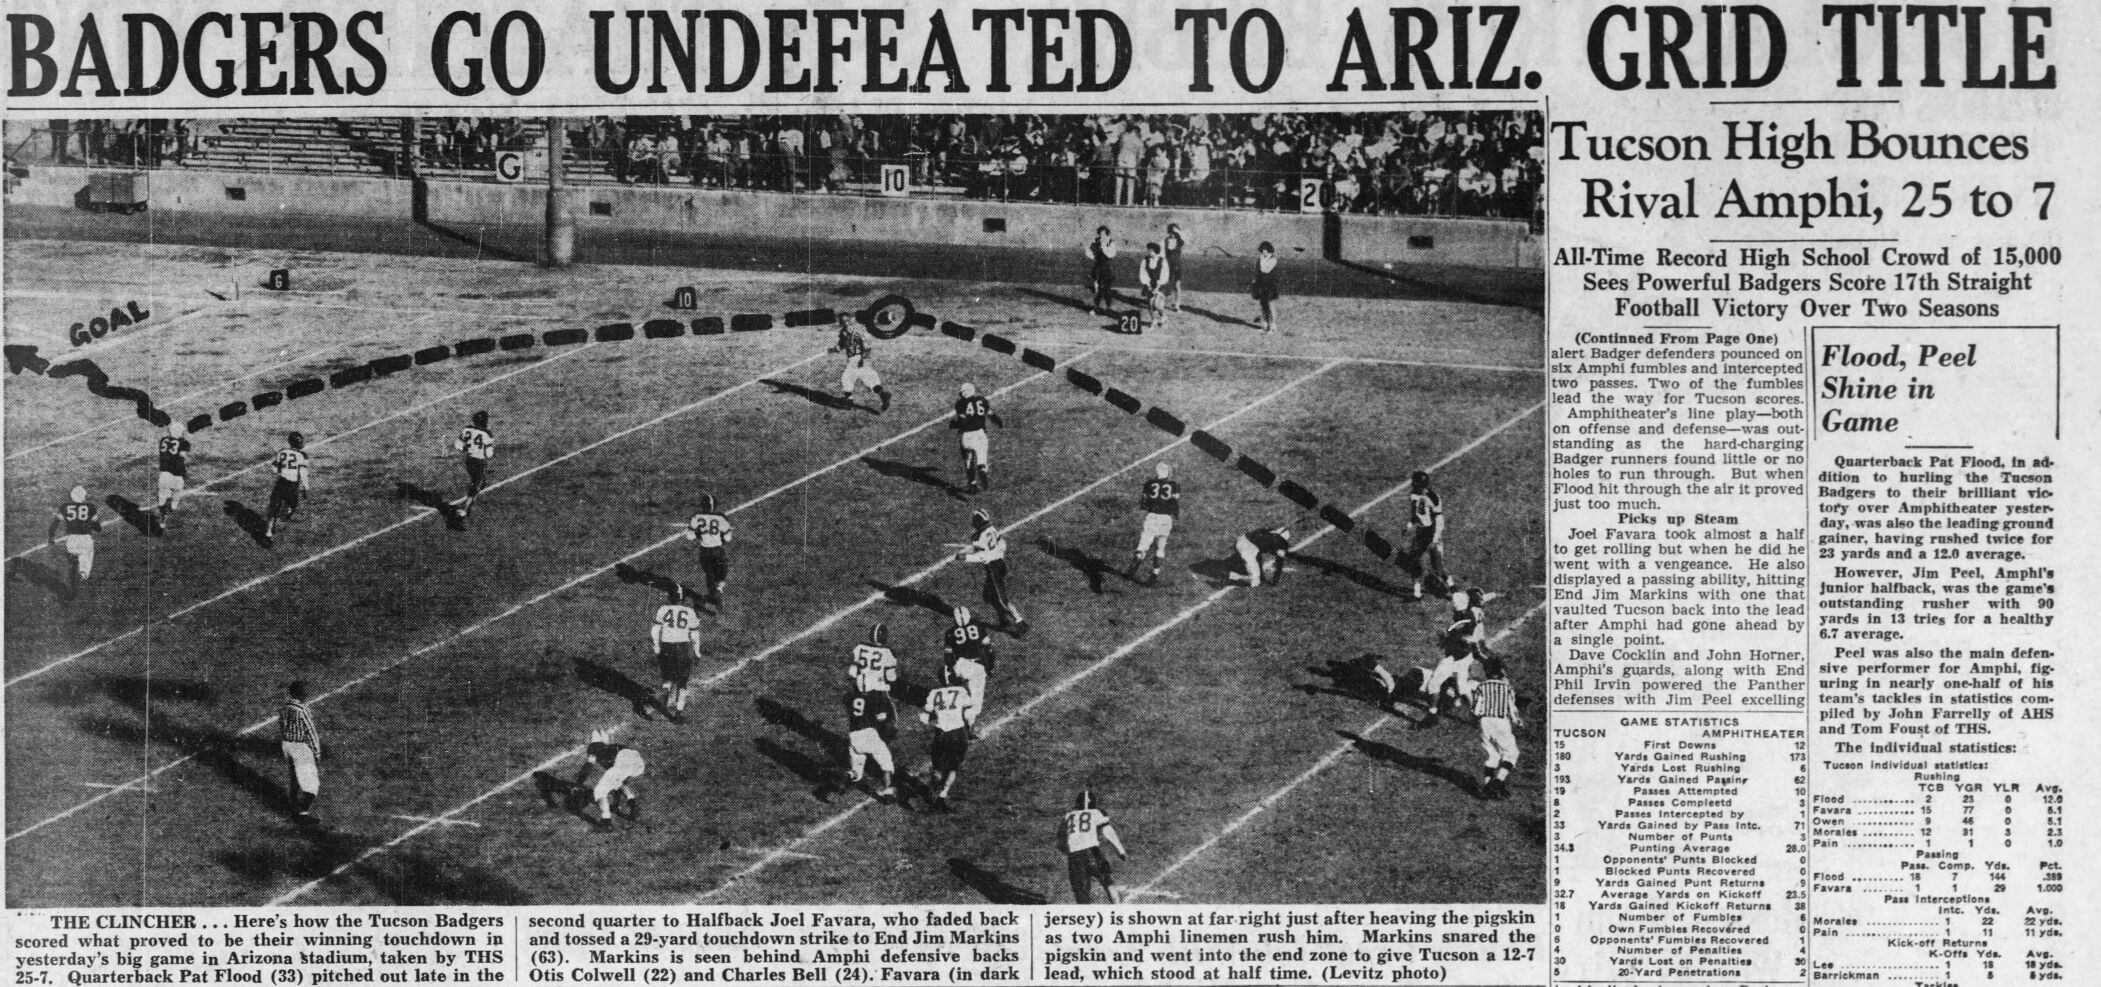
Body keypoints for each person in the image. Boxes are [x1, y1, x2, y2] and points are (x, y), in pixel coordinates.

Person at [919, 665, 980, 813]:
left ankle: (934, 785)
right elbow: (970, 711)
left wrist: (934, 717)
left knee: (938, 767)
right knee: (953, 766)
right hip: (958, 734)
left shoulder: (934, 693)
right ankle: (942, 795)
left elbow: (923, 717)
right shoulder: (961, 691)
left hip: (940, 733)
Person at [959, 509, 1026, 635]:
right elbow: (1002, 545)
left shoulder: (978, 537)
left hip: (992, 569)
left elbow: (982, 557)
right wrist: (994, 552)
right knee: (989, 596)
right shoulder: (992, 529)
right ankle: (1003, 618)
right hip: (1001, 564)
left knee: (1002, 599)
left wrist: (966, 557)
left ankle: (1020, 622)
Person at [1061, 789, 1130, 903]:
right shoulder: (1097, 813)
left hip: (1074, 857)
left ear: (1077, 803)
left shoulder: (1068, 816)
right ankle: (1118, 911)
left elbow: (1061, 843)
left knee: (1082, 896)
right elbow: (1108, 832)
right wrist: (1120, 851)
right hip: (1092, 853)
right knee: (1107, 882)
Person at [1472, 657, 1523, 800]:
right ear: (1501, 671)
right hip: (1501, 723)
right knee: (1512, 753)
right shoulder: (1507, 688)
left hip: (1484, 722)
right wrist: (1518, 721)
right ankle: (1497, 782)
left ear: (1486, 671)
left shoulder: (1481, 687)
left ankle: (1488, 787)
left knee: (1492, 755)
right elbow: (1512, 709)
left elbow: (1476, 710)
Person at [651, 586, 701, 724]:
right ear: (683, 599)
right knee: (682, 683)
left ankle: (666, 690)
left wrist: (656, 646)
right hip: (683, 648)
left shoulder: (662, 609)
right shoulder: (689, 611)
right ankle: (678, 714)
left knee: (668, 676)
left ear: (669, 597)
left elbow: (655, 630)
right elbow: (694, 635)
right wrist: (697, 652)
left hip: (666, 647)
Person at [842, 687, 900, 803]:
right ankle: (888, 791)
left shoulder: (849, 697)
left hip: (854, 737)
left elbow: (849, 702)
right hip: (869, 735)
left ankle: (848, 775)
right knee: (886, 762)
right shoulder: (872, 698)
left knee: (857, 773)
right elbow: (881, 716)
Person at [577, 731, 646, 828]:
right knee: (620, 781)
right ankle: (634, 807)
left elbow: (587, 768)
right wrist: (616, 802)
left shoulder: (594, 751)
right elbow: (619, 779)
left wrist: (579, 783)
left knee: (599, 792)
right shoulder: (612, 748)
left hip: (623, 763)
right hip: (638, 764)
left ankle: (606, 823)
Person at [46, 486, 104, 601]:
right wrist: (90, 522)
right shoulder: (90, 507)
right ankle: (83, 574)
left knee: (72, 564)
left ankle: (74, 575)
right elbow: (98, 528)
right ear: (83, 496)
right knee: (85, 562)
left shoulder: (65, 507)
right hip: (86, 541)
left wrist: (51, 537)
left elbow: (55, 523)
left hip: (71, 541)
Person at [1128, 462, 1180, 586]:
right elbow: (1175, 502)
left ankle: (1135, 564)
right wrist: (1175, 514)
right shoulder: (1174, 485)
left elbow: (1143, 502)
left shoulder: (1150, 483)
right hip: (1166, 519)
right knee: (1160, 547)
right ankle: (1154, 574)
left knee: (1142, 546)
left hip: (1153, 517)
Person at [1401, 470, 1449, 599]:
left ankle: (1452, 588)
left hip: (1432, 533)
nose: (1413, 486)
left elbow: (1439, 519)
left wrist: (1435, 538)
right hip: (1421, 534)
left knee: (1437, 567)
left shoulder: (1433, 497)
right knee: (1413, 562)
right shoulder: (1413, 495)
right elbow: (1415, 515)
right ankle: (1417, 594)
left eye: (1415, 483)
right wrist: (1409, 526)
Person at [278, 681, 322, 823]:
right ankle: (302, 814)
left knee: (294, 779)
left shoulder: (284, 708)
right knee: (311, 784)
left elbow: (282, 726)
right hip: (300, 748)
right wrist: (317, 753)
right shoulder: (302, 709)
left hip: (286, 745)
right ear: (298, 693)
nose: (306, 694)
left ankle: (293, 810)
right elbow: (311, 732)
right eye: (303, 691)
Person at [830, 313, 891, 413]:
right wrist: (832, 349)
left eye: (847, 321)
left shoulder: (857, 332)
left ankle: (850, 401)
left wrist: (862, 360)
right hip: (854, 360)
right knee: (854, 379)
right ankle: (883, 395)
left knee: (850, 379)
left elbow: (867, 348)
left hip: (859, 359)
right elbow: (840, 345)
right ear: (841, 323)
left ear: (850, 321)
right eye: (843, 321)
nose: (845, 323)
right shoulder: (843, 333)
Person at [683, 494, 733, 609]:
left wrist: (697, 534)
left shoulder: (696, 517)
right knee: (722, 572)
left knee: (709, 574)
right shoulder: (721, 518)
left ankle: (712, 596)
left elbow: (689, 536)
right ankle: (719, 590)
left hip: (704, 551)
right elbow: (728, 538)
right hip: (718, 550)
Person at [951, 383, 1002, 494]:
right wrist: (999, 423)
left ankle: (972, 484)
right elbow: (991, 414)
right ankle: (982, 468)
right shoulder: (981, 400)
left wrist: (953, 424)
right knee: (981, 459)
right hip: (980, 435)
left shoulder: (960, 403)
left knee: (968, 459)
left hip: (967, 436)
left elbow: (962, 421)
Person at [262, 431, 309, 546]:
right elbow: (303, 472)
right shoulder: (302, 456)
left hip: (281, 484)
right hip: (292, 487)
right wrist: (306, 487)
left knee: (274, 509)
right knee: (289, 509)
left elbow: (273, 468)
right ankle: (282, 517)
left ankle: (268, 534)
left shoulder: (281, 452)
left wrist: (280, 470)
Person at [452, 410, 495, 519]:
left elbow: (458, 445)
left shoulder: (467, 429)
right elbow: (489, 454)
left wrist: (468, 448)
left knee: (480, 482)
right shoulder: (487, 434)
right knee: (476, 485)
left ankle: (470, 498)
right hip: (479, 463)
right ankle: (465, 509)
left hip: (469, 461)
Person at [1230, 523, 1292, 588]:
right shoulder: (1273, 541)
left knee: (1257, 554)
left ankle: (1240, 568)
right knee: (1255, 581)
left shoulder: (1267, 532)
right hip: (1245, 547)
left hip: (1244, 543)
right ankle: (1231, 576)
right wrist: (1275, 580)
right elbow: (1279, 564)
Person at [155, 423, 192, 526]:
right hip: (176, 473)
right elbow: (181, 459)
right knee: (178, 490)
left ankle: (162, 517)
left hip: (163, 473)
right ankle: (172, 507)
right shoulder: (184, 443)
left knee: (162, 494)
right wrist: (183, 473)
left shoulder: (163, 440)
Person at [1137, 242, 1171, 331]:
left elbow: (1165, 275)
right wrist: (1148, 285)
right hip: (1150, 285)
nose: (1149, 252)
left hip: (1161, 285)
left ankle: (1164, 317)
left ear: (1156, 251)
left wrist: (1157, 287)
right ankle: (1154, 321)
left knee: (1157, 304)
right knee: (1150, 304)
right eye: (1148, 250)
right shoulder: (1145, 260)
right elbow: (1143, 273)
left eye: (1151, 251)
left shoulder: (1162, 260)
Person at [1251, 241, 1281, 334]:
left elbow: (1266, 269)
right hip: (1262, 284)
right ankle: (1265, 326)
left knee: (1271, 306)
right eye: (1261, 250)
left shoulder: (1273, 259)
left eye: (1264, 250)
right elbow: (1257, 271)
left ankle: (1273, 327)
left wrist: (1261, 260)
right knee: (1263, 305)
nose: (1262, 252)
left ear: (1268, 250)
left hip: (1270, 285)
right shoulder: (1260, 259)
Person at [1087, 226, 1118, 315]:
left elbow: (1111, 254)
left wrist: (1103, 246)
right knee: (1097, 287)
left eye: (1104, 233)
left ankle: (1108, 308)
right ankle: (1096, 307)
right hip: (1098, 266)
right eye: (1100, 233)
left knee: (1107, 289)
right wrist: (1094, 255)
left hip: (1107, 267)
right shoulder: (1096, 241)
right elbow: (1089, 251)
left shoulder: (1111, 242)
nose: (1101, 235)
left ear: (1107, 234)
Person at [1161, 223, 1186, 312]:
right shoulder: (1166, 240)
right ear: (1169, 231)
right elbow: (1164, 253)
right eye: (1171, 232)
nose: (1173, 234)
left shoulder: (1179, 240)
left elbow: (1183, 237)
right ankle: (1161, 303)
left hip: (1177, 265)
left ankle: (1177, 305)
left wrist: (1178, 231)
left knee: (1177, 285)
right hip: (1168, 265)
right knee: (1165, 284)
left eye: (1174, 232)